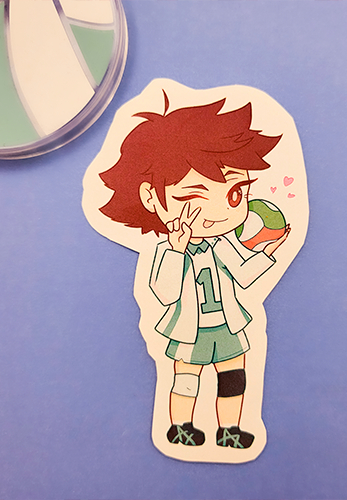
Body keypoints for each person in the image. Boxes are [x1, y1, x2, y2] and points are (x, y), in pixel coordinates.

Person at [99, 93, 290, 448]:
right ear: (151, 198)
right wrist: (176, 249)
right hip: (189, 328)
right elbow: (164, 292)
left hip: (227, 324)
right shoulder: (166, 250)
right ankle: (181, 426)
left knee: (233, 377)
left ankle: (230, 429)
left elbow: (243, 274)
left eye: (235, 194)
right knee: (186, 378)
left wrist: (267, 251)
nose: (220, 212)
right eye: (193, 197)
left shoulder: (224, 243)